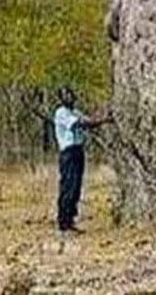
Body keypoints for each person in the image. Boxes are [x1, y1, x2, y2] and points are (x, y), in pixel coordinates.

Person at [53, 86, 110, 233]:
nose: (70, 97)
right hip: (68, 153)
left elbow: (89, 121)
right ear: (61, 98)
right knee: (68, 187)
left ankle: (71, 219)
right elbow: (82, 123)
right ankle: (63, 222)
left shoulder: (75, 112)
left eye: (71, 94)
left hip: (78, 151)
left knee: (77, 187)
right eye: (66, 95)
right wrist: (103, 120)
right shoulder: (61, 113)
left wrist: (103, 119)